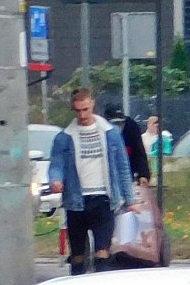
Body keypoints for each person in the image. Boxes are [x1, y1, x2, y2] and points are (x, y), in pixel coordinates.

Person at [49, 89, 134, 274]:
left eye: (85, 109)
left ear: (92, 105)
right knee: (78, 254)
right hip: (76, 201)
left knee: (102, 251)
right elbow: (56, 164)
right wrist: (55, 180)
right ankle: (77, 283)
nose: (82, 115)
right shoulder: (64, 138)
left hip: (104, 198)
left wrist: (130, 199)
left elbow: (122, 167)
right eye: (78, 111)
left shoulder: (110, 134)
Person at [104, 103, 151, 184]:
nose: (117, 127)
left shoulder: (131, 126)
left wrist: (143, 174)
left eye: (120, 123)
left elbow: (139, 151)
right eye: (114, 124)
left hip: (128, 171)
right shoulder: (100, 128)